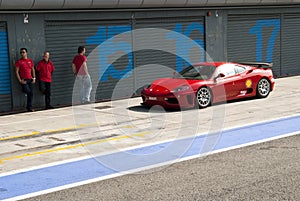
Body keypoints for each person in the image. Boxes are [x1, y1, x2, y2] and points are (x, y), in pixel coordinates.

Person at [15, 48, 36, 112]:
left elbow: (33, 70)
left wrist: (34, 78)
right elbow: (16, 72)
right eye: (21, 52)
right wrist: (20, 80)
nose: (22, 54)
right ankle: (23, 89)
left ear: (26, 53)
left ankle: (29, 107)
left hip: (30, 79)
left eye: (23, 52)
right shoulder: (19, 62)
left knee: (31, 93)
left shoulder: (30, 61)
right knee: (28, 91)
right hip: (24, 80)